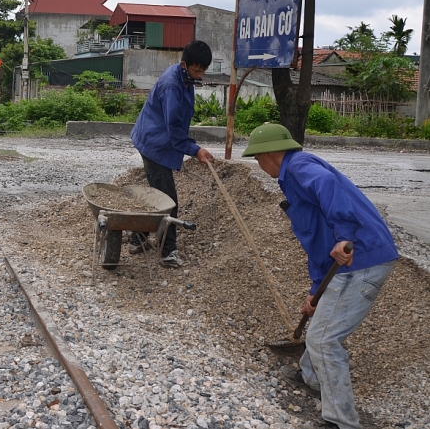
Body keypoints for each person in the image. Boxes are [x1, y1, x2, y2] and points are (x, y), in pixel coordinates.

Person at [242, 123, 399, 429]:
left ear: (269, 154)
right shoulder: (291, 180)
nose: (259, 167)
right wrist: (316, 291)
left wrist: (344, 235)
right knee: (320, 327)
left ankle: (342, 421)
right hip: (347, 264)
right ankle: (312, 377)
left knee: (324, 339)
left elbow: (328, 185)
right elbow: (316, 239)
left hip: (361, 260)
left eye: (258, 159)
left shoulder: (299, 166)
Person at [129, 40, 215, 267]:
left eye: (203, 70)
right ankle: (168, 253)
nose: (200, 75)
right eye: (197, 70)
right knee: (168, 200)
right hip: (154, 144)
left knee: (158, 194)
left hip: (160, 140)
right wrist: (196, 150)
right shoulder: (172, 86)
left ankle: (136, 239)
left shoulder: (185, 78)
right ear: (185, 64)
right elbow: (174, 129)